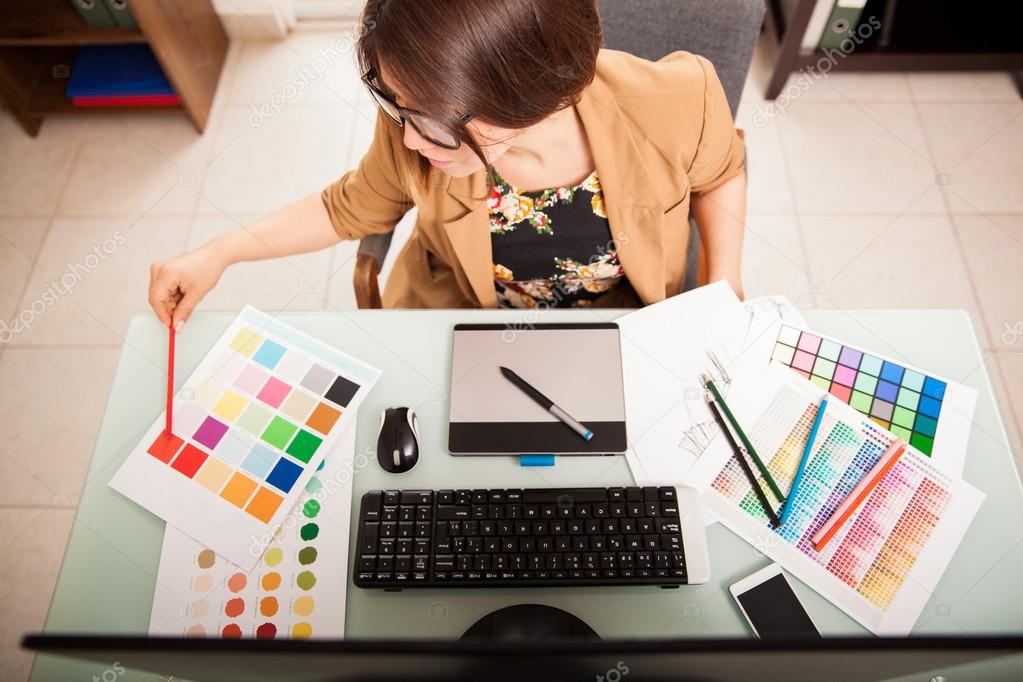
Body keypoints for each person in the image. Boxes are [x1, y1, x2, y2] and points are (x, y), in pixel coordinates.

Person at [149, 0, 746, 327]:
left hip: (627, 320)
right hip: (464, 318)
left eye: (430, 123)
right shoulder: (415, 126)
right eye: (394, 105)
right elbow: (346, 208)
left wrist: (725, 283)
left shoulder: (679, 99)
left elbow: (722, 174)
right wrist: (219, 251)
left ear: (530, 95)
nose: (410, 141)